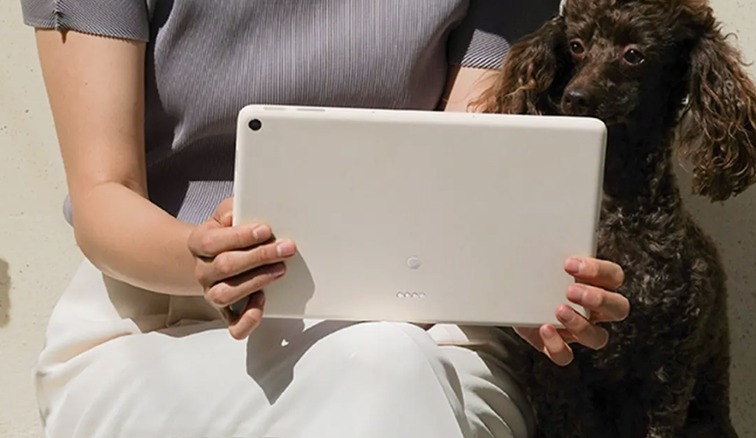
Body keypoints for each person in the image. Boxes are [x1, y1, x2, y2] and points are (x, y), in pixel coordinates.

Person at [22, 1, 630, 437]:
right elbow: (105, 192)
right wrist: (202, 258)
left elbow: (461, 168)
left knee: (387, 364)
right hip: (160, 326)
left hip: (422, 332)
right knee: (386, 371)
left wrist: (513, 283)